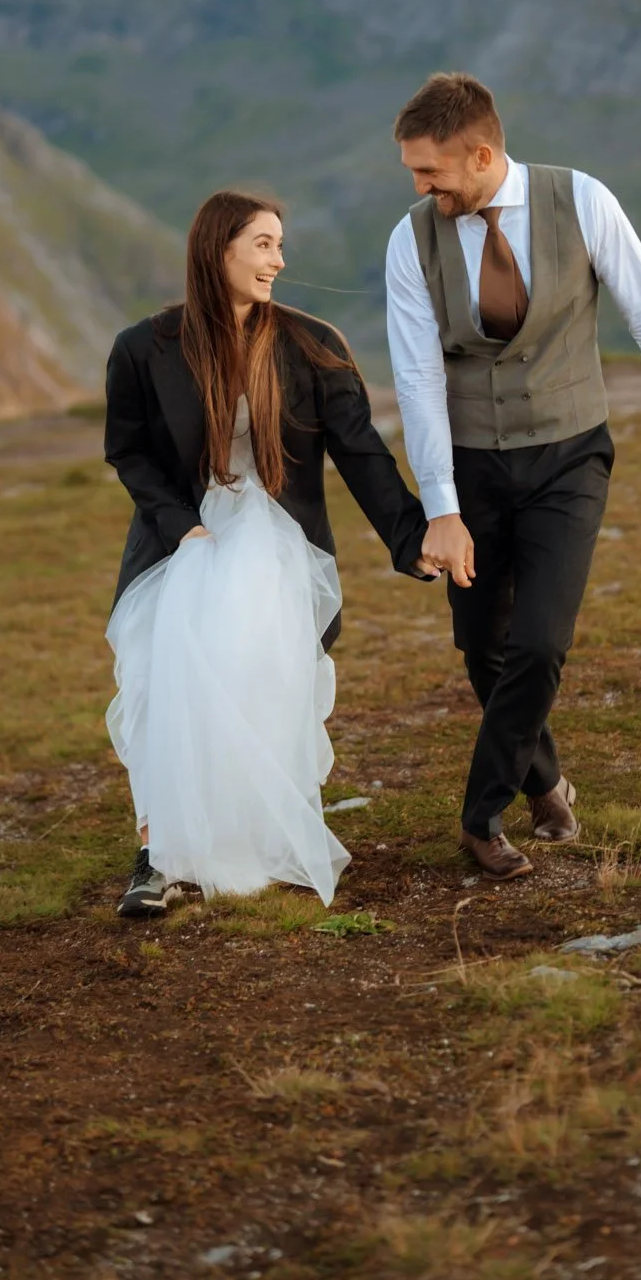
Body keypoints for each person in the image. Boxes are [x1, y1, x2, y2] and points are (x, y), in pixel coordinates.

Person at [385, 73, 641, 879]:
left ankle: (482, 817)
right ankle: (544, 779)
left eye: (429, 171)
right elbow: (416, 379)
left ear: (480, 154)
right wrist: (440, 506)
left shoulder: (581, 201)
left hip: (568, 455)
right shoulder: (410, 239)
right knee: (481, 646)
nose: (419, 188)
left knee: (539, 642)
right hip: (472, 467)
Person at [104, 190, 429, 917]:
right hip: (179, 539)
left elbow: (361, 452)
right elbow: (126, 451)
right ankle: (156, 855)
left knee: (258, 681)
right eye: (262, 244)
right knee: (159, 677)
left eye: (280, 244)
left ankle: (250, 831)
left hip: (281, 544)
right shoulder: (142, 348)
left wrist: (410, 537)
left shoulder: (312, 345)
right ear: (218, 249)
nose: (278, 260)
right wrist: (179, 524)